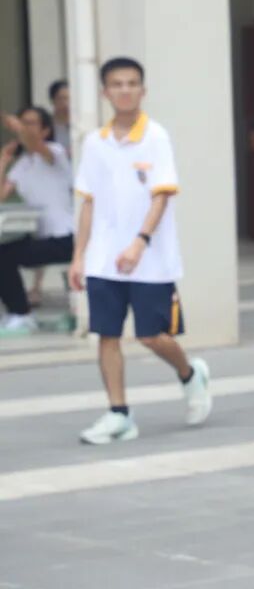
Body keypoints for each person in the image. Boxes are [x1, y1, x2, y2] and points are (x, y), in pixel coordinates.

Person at [69, 57, 211, 445]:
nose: (125, 90)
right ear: (105, 91)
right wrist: (79, 256)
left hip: (150, 261)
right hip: (103, 260)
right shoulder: (94, 144)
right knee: (107, 335)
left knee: (152, 336)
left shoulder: (156, 137)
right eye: (117, 84)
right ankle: (119, 414)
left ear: (143, 90)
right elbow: (88, 202)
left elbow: (161, 197)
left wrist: (139, 243)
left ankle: (190, 374)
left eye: (132, 83)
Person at [0, 107, 74, 334]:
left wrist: (18, 127)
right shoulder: (23, 164)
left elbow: (34, 142)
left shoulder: (54, 153)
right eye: (23, 122)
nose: (25, 128)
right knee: (4, 253)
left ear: (45, 131)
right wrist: (3, 161)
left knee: (5, 255)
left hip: (67, 237)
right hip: (44, 237)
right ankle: (19, 313)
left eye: (31, 123)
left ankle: (21, 314)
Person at [49, 79, 72, 153]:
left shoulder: (80, 124)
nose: (66, 103)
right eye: (61, 98)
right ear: (53, 100)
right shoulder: (47, 125)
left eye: (69, 98)